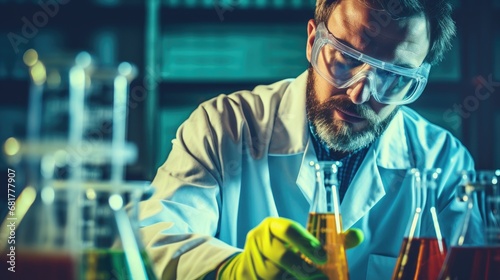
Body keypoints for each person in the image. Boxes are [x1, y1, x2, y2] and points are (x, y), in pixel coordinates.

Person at [138, 0, 482, 279]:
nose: (360, 93)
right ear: (313, 40)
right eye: (346, 58)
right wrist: (233, 270)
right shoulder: (224, 126)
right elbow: (153, 240)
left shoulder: (443, 165)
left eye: (393, 76)